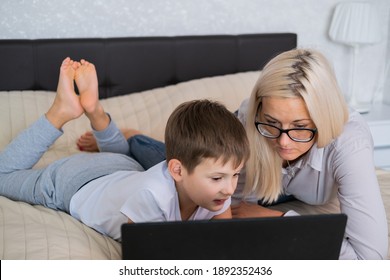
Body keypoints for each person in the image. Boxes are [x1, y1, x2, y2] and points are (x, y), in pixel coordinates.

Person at [78, 48, 388, 259]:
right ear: (258, 112)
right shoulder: (247, 119)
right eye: (271, 124)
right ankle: (131, 137)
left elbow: (370, 259)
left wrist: (280, 219)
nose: (283, 143)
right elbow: (225, 211)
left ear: (325, 118)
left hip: (273, 196)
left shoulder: (350, 142)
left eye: (301, 127)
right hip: (249, 180)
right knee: (180, 164)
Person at [0, 57, 250, 241]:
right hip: (75, 182)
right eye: (218, 177)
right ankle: (60, 112)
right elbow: (144, 262)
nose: (230, 188)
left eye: (235, 174)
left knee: (119, 153)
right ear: (177, 170)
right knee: (3, 176)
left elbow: (223, 242)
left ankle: (95, 110)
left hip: (124, 166)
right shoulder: (152, 197)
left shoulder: (219, 192)